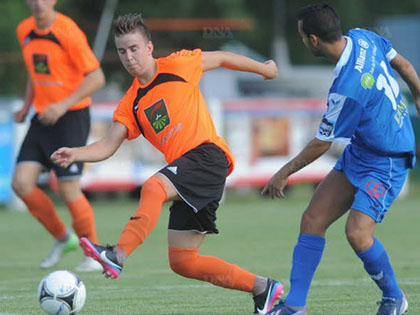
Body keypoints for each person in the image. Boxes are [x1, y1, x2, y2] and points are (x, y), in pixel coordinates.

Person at [51, 13, 282, 314]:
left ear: (149, 47)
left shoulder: (179, 64)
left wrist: (263, 69)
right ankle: (263, 289)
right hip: (191, 173)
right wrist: (75, 153)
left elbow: (223, 57)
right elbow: (107, 145)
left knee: (154, 187)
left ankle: (118, 254)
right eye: (122, 51)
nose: (129, 57)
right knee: (183, 261)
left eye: (134, 48)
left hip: (208, 155)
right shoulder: (131, 103)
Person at [263, 3, 420, 315]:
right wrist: (417, 92)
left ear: (314, 40)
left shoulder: (346, 87)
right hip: (362, 151)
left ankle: (394, 298)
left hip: (387, 160)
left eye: (302, 37)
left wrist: (283, 172)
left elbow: (322, 143)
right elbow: (402, 64)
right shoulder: (364, 37)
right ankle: (295, 305)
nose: (304, 42)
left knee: (358, 234)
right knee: (313, 219)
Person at [12, 0, 105, 272]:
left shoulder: (68, 31)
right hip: (43, 117)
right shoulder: (24, 30)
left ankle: (95, 254)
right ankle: (64, 238)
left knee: (67, 188)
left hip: (71, 116)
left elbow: (97, 77)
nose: (39, 3)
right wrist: (26, 106)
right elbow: (35, 72)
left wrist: (62, 105)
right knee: (21, 183)